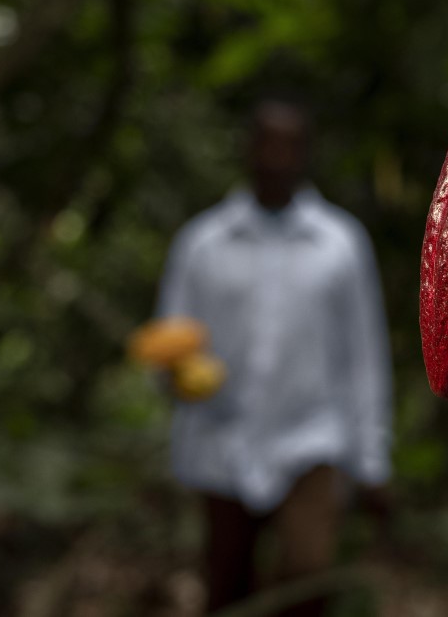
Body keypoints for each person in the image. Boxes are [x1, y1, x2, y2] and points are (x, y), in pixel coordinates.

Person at [155, 98, 393, 616]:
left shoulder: (340, 244)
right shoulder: (202, 244)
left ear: (306, 154)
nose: (277, 157)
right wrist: (175, 377)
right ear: (247, 149)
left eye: (290, 146)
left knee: (306, 590)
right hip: (222, 444)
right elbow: (171, 342)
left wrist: (371, 457)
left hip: (312, 442)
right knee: (228, 584)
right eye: (266, 143)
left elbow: (362, 354)